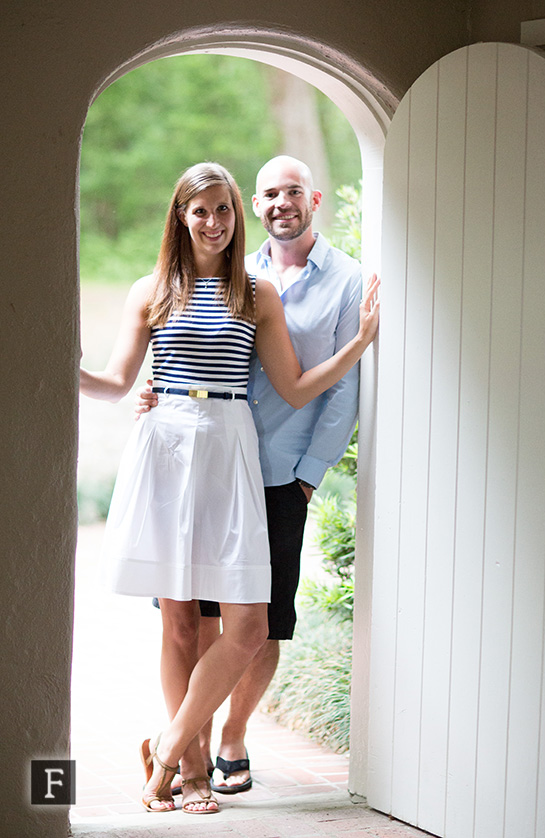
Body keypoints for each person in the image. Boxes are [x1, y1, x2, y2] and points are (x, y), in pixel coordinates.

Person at [80, 161, 380, 814]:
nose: (214, 223)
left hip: (229, 446)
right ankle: (187, 772)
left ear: (236, 216)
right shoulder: (151, 289)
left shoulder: (256, 292)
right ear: (180, 217)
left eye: (224, 210)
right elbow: (115, 381)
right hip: (165, 447)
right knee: (181, 623)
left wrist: (358, 344)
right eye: (201, 211)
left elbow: (297, 388)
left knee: (247, 625)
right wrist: (61, 365)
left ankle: (163, 746)